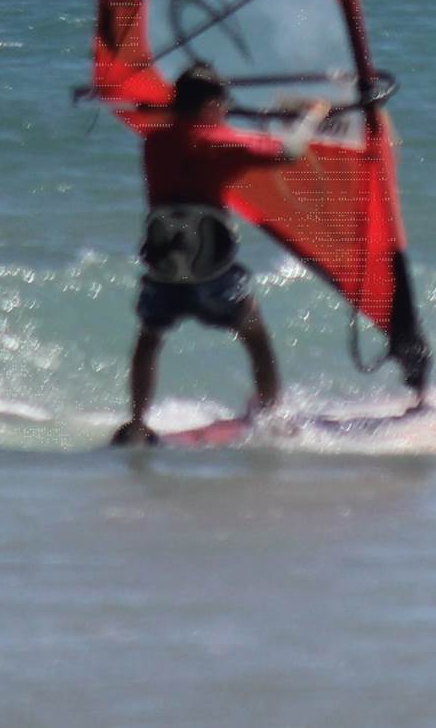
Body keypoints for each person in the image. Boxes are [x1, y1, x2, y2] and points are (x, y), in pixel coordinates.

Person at [108, 65, 324, 447]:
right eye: (223, 105)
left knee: (150, 338)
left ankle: (138, 422)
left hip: (164, 271)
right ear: (210, 106)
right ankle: (270, 415)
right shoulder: (221, 142)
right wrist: (313, 115)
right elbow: (289, 152)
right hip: (212, 274)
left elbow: (184, 137)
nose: (226, 112)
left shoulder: (154, 142)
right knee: (255, 336)